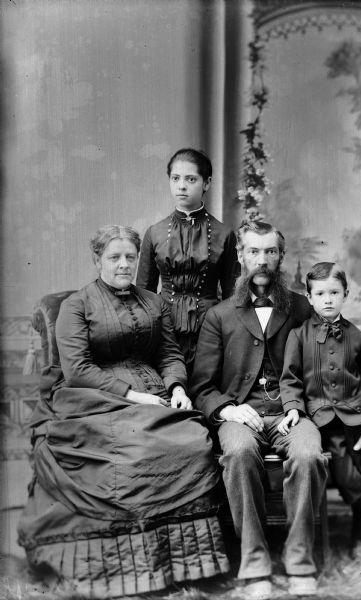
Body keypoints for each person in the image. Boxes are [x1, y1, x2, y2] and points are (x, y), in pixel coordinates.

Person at [18, 225, 229, 597]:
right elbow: (78, 369)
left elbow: (168, 354)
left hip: (154, 390)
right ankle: (121, 569)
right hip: (94, 397)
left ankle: (177, 565)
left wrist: (177, 386)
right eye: (114, 257)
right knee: (137, 450)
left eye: (130, 257)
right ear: (97, 260)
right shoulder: (76, 305)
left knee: (194, 443)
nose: (123, 265)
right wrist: (132, 395)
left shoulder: (154, 302)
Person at [191, 220, 328, 599]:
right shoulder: (219, 315)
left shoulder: (302, 308)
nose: (262, 260)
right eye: (254, 251)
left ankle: (299, 560)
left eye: (270, 252)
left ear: (281, 257)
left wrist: (298, 407)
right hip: (241, 414)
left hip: (292, 412)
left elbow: (321, 368)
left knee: (308, 454)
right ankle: (254, 563)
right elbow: (201, 386)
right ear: (241, 255)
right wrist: (227, 411)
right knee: (237, 451)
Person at [278, 262, 361, 555]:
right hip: (320, 421)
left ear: (346, 294)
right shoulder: (299, 336)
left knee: (353, 475)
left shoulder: (358, 337)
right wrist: (293, 408)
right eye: (320, 294)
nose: (328, 299)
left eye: (334, 292)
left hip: (358, 417)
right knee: (347, 477)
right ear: (309, 298)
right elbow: (290, 379)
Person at [137, 148, 237, 371]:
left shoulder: (224, 234)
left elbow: (232, 295)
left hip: (211, 328)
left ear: (207, 183)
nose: (181, 186)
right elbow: (144, 291)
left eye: (190, 179)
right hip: (163, 327)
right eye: (175, 178)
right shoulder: (155, 233)